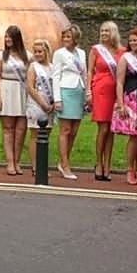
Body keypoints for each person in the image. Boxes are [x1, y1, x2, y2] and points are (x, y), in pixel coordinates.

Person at [113, 27, 137, 185]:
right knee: (134, 137)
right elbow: (120, 82)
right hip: (131, 99)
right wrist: (121, 104)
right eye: (130, 41)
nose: (133, 43)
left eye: (135, 40)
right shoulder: (126, 58)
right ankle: (130, 169)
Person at [0, 25, 30, 176]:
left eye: (10, 37)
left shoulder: (27, 55)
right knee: (8, 129)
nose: (7, 39)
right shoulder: (1, 55)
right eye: (6, 37)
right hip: (6, 90)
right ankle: (10, 162)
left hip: (22, 92)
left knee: (21, 130)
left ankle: (17, 161)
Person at [89, 21, 124, 181]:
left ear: (114, 33)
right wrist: (89, 91)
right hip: (101, 90)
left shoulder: (122, 51)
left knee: (111, 130)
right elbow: (89, 71)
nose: (103, 34)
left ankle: (108, 165)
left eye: (107, 31)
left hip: (116, 92)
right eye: (102, 31)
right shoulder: (96, 50)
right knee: (103, 128)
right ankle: (99, 163)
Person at [51, 24, 86, 180]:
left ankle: (64, 160)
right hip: (65, 92)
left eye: (68, 37)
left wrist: (86, 94)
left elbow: (84, 73)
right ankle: (65, 165)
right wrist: (57, 99)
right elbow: (56, 76)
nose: (65, 39)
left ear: (75, 39)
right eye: (64, 37)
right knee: (65, 130)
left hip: (78, 92)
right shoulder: (59, 54)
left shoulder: (82, 53)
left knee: (74, 131)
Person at [25, 38, 55, 176]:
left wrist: (53, 103)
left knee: (46, 135)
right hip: (36, 104)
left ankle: (43, 165)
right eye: (35, 52)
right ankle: (35, 167)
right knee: (35, 135)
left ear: (46, 51)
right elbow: (30, 87)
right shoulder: (33, 67)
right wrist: (42, 103)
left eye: (40, 51)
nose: (37, 54)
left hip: (50, 104)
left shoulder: (53, 67)